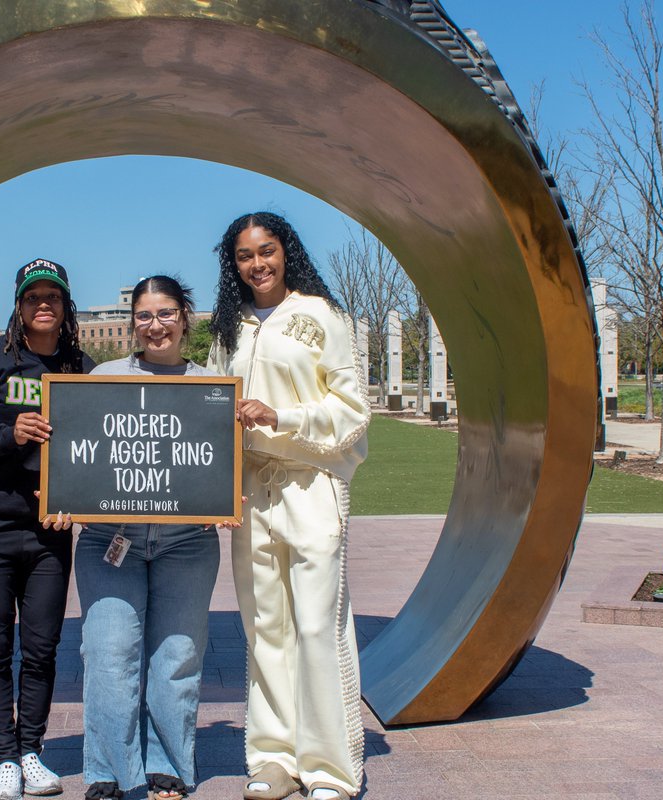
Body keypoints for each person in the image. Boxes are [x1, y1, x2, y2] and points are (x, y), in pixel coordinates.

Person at [207, 213, 371, 800]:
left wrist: (283, 416)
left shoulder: (322, 316)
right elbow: (207, 405)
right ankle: (275, 756)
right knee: (265, 628)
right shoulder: (230, 329)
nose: (258, 264)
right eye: (245, 256)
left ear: (286, 252)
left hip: (311, 484)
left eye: (267, 251)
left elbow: (352, 412)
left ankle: (331, 767)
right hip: (250, 493)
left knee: (315, 626)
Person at [0, 258, 94, 800]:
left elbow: (96, 447)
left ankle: (31, 751)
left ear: (65, 303)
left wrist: (81, 500)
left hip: (50, 531)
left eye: (53, 295)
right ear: (19, 305)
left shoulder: (81, 366)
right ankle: (3, 758)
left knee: (42, 648)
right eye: (33, 297)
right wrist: (11, 435)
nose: (43, 304)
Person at [75, 276, 221, 800]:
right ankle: (109, 770)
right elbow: (82, 454)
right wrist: (61, 496)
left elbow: (219, 464)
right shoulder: (103, 377)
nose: (154, 325)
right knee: (109, 651)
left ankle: (168, 766)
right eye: (143, 315)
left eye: (165, 314)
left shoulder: (212, 385)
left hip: (188, 541)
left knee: (176, 657)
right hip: (110, 540)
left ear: (185, 317)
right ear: (132, 320)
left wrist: (229, 500)